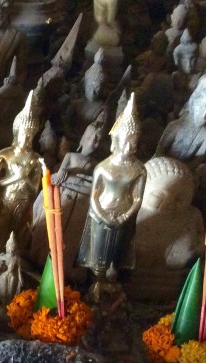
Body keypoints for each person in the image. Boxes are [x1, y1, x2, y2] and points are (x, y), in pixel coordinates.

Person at [76, 93, 146, 301]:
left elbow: (138, 199)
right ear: (117, 139)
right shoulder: (103, 167)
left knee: (117, 255)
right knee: (99, 254)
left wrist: (125, 216)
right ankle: (97, 284)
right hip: (101, 214)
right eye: (127, 140)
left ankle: (112, 283)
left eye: (134, 141)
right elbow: (94, 196)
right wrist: (103, 215)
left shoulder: (139, 169)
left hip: (124, 215)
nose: (130, 146)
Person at [0, 91, 42, 259]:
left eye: (30, 135)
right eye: (23, 134)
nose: (26, 139)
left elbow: (35, 189)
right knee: (0, 232)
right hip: (6, 199)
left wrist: (25, 178)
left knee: (17, 234)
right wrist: (17, 176)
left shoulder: (35, 159)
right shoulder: (5, 154)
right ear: (16, 132)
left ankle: (12, 260)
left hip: (24, 201)